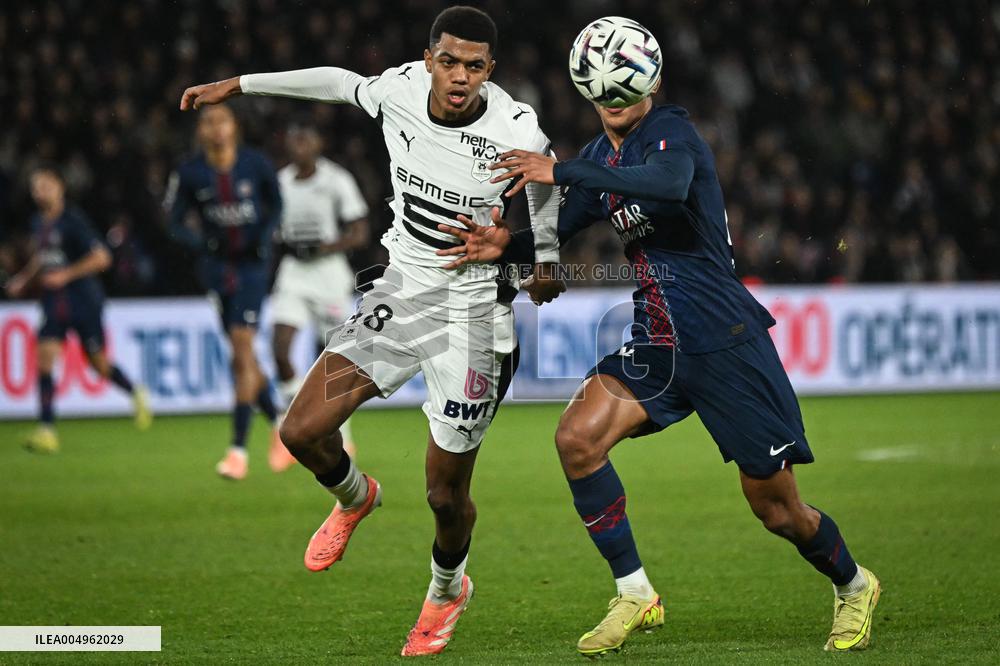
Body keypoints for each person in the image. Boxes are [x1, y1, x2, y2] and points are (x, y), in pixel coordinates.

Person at [436, 18, 881, 658]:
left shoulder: (672, 133)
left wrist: (559, 172)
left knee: (779, 511)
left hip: (726, 342)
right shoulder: (599, 159)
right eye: (605, 100)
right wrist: (505, 244)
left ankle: (854, 583)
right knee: (577, 439)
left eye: (624, 98)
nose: (616, 111)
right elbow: (562, 226)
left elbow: (667, 188)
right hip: (659, 342)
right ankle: (636, 592)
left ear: (654, 86)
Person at [178, 5, 562, 656]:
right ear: (429, 58)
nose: (459, 76)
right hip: (404, 292)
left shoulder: (513, 125)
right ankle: (355, 498)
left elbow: (548, 181)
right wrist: (241, 84)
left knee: (445, 494)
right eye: (448, 61)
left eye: (474, 65)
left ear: (489, 70)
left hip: (473, 315)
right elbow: (335, 80)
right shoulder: (399, 90)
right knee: (301, 430)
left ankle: (447, 590)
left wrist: (545, 257)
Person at [164, 104, 285, 479]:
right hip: (217, 271)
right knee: (241, 355)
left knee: (242, 351)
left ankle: (237, 452)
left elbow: (276, 205)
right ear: (201, 131)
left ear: (234, 127)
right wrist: (200, 243)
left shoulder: (255, 164)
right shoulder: (189, 172)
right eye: (208, 122)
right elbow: (171, 221)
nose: (216, 128)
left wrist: (264, 239)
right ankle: (280, 423)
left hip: (251, 269)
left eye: (222, 121)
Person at [6, 165, 152, 453]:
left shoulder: (74, 220)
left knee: (97, 363)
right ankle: (47, 430)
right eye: (36, 186)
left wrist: (66, 274)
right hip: (53, 301)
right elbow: (43, 256)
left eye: (46, 184)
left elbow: (102, 258)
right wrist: (24, 279)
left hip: (83, 300)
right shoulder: (39, 222)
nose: (40, 191)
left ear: (60, 187)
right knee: (44, 361)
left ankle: (135, 392)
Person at [271, 122, 371, 463]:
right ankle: (288, 422)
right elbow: (271, 226)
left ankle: (345, 434)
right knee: (280, 349)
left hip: (329, 275)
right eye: (294, 139)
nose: (299, 145)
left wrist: (325, 247)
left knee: (335, 361)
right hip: (295, 273)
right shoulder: (280, 182)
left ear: (318, 143)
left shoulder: (335, 180)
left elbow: (360, 231)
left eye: (305, 138)